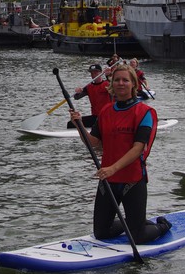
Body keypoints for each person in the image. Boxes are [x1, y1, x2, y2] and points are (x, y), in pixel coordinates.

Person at [69, 65, 171, 245]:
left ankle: (162, 226)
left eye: (125, 80)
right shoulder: (105, 112)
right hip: (109, 180)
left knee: (138, 237)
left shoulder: (145, 113)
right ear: (112, 84)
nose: (121, 83)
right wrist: (79, 125)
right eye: (117, 80)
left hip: (132, 179)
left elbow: (138, 148)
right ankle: (132, 223)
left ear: (133, 84)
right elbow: (94, 143)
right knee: (101, 233)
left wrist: (112, 168)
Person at [71, 63, 111, 129]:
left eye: (96, 73)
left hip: (107, 116)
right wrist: (78, 92)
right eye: (92, 73)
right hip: (95, 117)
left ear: (101, 73)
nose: (93, 75)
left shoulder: (107, 84)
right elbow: (76, 97)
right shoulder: (89, 87)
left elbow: (115, 91)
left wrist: (109, 76)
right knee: (72, 123)